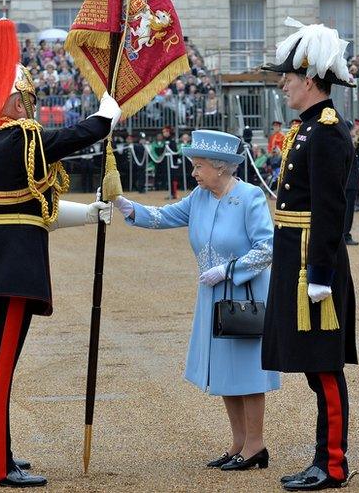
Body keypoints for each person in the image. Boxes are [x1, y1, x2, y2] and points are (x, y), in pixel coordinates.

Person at [0, 19, 120, 488]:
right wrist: (105, 116)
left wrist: (89, 213)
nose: (30, 110)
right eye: (26, 102)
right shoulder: (19, 138)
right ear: (16, 102)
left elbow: (28, 210)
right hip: (9, 271)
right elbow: (72, 138)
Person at [113, 130, 280, 471]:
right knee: (224, 372)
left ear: (220, 168)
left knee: (247, 373)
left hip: (244, 296)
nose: (194, 173)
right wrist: (127, 206)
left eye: (198, 166)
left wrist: (229, 270)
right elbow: (164, 216)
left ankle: (255, 445)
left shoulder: (250, 197)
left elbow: (267, 249)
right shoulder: (199, 197)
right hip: (212, 295)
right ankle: (238, 443)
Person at [260, 19, 357, 491]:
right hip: (293, 254)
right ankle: (323, 457)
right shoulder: (308, 128)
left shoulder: (328, 132)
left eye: (289, 76)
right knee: (313, 367)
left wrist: (319, 270)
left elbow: (331, 208)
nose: (284, 83)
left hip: (311, 263)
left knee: (323, 364)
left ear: (311, 80)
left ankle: (333, 462)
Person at [343, 120, 359, 245]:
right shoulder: (348, 143)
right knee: (348, 211)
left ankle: (343, 234)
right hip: (350, 182)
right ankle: (345, 235)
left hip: (346, 181)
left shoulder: (345, 142)